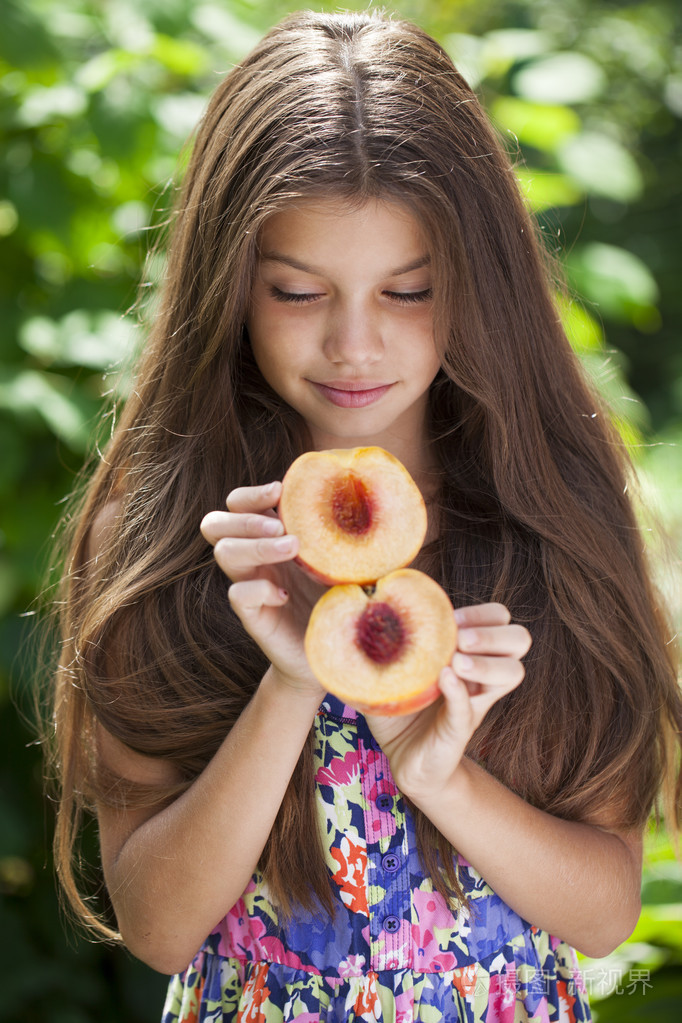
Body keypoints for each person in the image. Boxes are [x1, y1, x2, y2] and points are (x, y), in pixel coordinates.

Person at [46, 9, 681, 1023]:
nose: (354, 345)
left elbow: (603, 914)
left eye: (409, 290)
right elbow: (161, 929)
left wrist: (437, 771)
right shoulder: (166, 534)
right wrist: (292, 675)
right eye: (297, 292)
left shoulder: (553, 520)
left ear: (479, 288)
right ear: (231, 289)